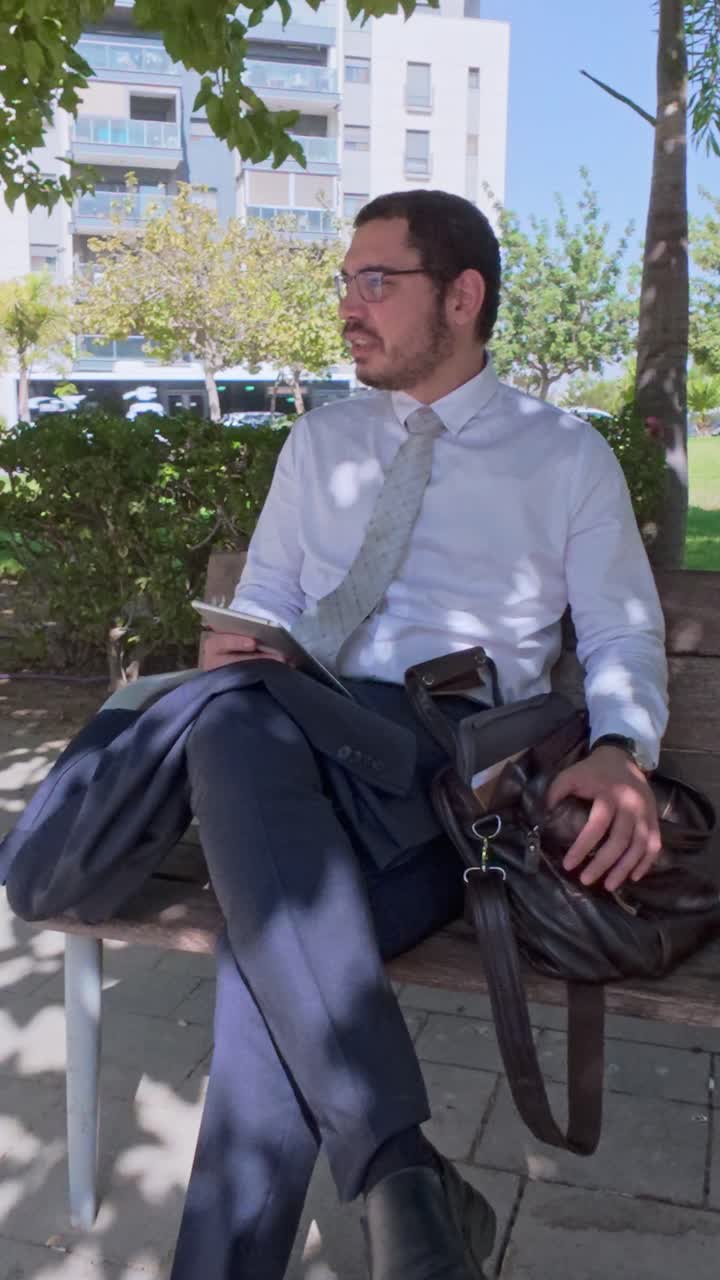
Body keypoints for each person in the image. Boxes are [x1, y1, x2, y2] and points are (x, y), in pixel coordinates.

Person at [171, 190, 668, 1280]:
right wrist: (243, 654)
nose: (349, 305)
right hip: (299, 752)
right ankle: (405, 1178)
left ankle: (392, 1186)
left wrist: (623, 745)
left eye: (375, 281)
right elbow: (263, 609)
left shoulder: (564, 456)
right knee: (235, 711)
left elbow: (624, 627)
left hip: (448, 779)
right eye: (346, 281)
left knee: (273, 958)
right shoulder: (321, 441)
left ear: (463, 295)